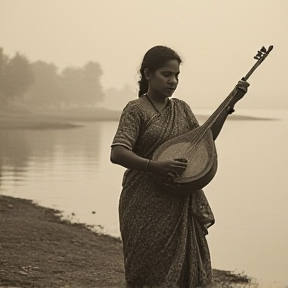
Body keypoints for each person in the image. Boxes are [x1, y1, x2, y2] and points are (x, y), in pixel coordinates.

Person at [110, 45, 249, 288]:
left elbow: (203, 141)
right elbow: (118, 153)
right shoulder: (136, 109)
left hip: (178, 200)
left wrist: (229, 104)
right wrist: (154, 166)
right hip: (142, 203)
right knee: (147, 272)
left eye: (177, 75)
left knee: (184, 273)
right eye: (167, 74)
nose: (173, 81)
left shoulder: (181, 108)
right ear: (147, 74)